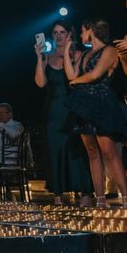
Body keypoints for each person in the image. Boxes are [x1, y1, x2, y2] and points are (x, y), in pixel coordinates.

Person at [65, 19, 127, 208]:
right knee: (92, 153)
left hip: (103, 104)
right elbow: (71, 75)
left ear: (90, 30)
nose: (80, 35)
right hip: (85, 106)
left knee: (109, 152)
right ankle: (100, 199)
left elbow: (95, 75)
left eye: (82, 31)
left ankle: (126, 197)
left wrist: (76, 82)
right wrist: (66, 49)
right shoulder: (85, 54)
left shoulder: (110, 51)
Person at [35, 20, 93, 206]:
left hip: (73, 110)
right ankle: (58, 195)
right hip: (52, 112)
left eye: (62, 32)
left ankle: (85, 192)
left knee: (77, 151)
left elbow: (74, 78)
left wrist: (67, 52)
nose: (58, 36)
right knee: (54, 151)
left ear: (69, 33)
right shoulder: (47, 56)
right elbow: (40, 83)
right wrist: (39, 58)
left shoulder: (77, 54)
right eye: (55, 32)